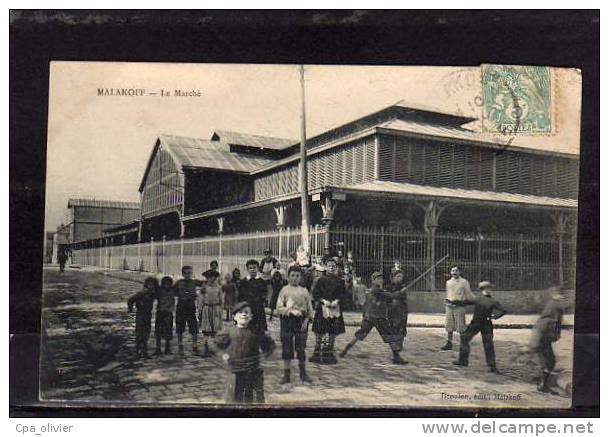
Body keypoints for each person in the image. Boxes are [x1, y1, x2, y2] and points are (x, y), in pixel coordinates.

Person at [340, 272, 408, 364]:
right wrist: (401, 292)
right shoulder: (376, 290)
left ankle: (345, 351)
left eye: (381, 278)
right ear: (373, 280)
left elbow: (387, 299)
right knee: (389, 336)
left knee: (361, 333)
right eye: (378, 279)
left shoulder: (376, 290)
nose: (381, 280)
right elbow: (392, 296)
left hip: (370, 317)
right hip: (378, 318)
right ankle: (396, 358)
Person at [215, 302, 275, 404]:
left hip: (253, 370)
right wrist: (222, 354)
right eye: (240, 312)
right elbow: (215, 344)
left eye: (247, 312)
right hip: (235, 370)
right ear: (234, 317)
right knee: (234, 398)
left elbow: (270, 345)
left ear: (251, 317)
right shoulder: (229, 331)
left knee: (255, 399)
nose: (244, 314)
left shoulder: (256, 331)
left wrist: (264, 356)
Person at [452, 281, 506, 372]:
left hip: (486, 325)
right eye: (486, 288)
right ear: (482, 290)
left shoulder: (492, 301)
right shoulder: (478, 299)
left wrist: (496, 316)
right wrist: (453, 302)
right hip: (475, 324)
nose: (488, 290)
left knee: (488, 344)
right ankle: (463, 361)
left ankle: (492, 366)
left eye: (489, 288)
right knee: (464, 338)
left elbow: (503, 310)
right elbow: (465, 302)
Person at [524, 286, 568, 394]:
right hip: (542, 336)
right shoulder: (555, 306)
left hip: (541, 335)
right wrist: (554, 335)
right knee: (549, 360)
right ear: (555, 295)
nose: (562, 297)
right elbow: (551, 323)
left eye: (563, 295)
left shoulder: (552, 305)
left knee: (547, 360)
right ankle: (543, 384)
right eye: (560, 295)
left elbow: (554, 322)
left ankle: (543, 382)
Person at [276, 265, 314, 384]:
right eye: (292, 275)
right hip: (287, 322)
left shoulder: (304, 291)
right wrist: (291, 311)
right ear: (288, 277)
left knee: (301, 348)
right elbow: (279, 308)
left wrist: (306, 321)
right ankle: (286, 375)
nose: (295, 278)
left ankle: (303, 373)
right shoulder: (284, 290)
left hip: (301, 322)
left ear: (300, 277)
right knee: (287, 349)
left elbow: (309, 309)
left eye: (297, 276)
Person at [310, 258, 346, 364]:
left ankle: (328, 354)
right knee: (319, 330)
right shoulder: (321, 280)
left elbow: (343, 294)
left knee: (332, 331)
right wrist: (323, 300)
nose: (331, 268)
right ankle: (317, 353)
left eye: (333, 266)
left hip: (335, 308)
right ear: (326, 267)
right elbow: (315, 293)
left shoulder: (340, 281)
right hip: (323, 308)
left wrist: (337, 300)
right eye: (329, 266)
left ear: (336, 268)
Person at [441, 266, 475, 351]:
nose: (454, 272)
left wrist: (475, 301)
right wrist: (446, 300)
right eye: (453, 271)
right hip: (449, 306)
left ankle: (463, 344)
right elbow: (448, 293)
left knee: (461, 327)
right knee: (449, 326)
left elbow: (469, 294)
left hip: (459, 306)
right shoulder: (448, 282)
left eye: (456, 270)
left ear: (460, 272)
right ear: (450, 272)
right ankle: (449, 343)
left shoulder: (464, 282)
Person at [173, 265, 204, 354]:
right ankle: (180, 345)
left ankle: (194, 346)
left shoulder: (194, 282)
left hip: (191, 307)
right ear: (182, 274)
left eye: (189, 273)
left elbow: (205, 283)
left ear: (191, 273)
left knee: (194, 327)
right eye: (185, 273)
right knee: (180, 327)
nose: (187, 275)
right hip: (181, 307)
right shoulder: (179, 283)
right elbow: (172, 291)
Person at [127, 276, 158, 358]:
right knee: (139, 333)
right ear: (146, 285)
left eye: (153, 285)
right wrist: (130, 309)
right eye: (149, 284)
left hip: (148, 315)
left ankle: (144, 351)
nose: (151, 286)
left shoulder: (152, 293)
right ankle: (137, 351)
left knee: (146, 333)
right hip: (140, 314)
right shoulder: (142, 292)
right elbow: (130, 300)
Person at [237, 259, 268, 335]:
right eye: (250, 268)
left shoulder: (262, 281)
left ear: (257, 268)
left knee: (259, 331)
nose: (252, 270)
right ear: (247, 269)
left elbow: (264, 293)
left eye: (254, 267)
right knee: (247, 330)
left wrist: (261, 299)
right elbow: (240, 296)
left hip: (258, 309)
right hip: (247, 309)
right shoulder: (244, 282)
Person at [198, 273, 225, 357]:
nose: (212, 279)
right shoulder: (204, 288)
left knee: (215, 330)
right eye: (209, 278)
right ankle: (206, 348)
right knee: (206, 330)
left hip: (216, 309)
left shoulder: (219, 288)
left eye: (214, 278)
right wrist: (200, 310)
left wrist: (220, 310)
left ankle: (213, 348)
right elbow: (200, 299)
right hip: (207, 309)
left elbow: (221, 300)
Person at [387, 270, 409, 356]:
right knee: (393, 326)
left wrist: (401, 293)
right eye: (398, 276)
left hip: (401, 309)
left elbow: (403, 299)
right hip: (392, 309)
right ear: (393, 277)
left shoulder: (403, 287)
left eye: (401, 276)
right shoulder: (389, 287)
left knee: (401, 326)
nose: (400, 278)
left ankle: (399, 343)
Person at [154, 276, 176, 355]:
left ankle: (167, 348)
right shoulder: (159, 291)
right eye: (165, 284)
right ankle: (158, 348)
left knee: (168, 331)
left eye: (168, 284)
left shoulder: (173, 291)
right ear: (162, 285)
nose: (167, 286)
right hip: (160, 312)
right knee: (158, 331)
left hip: (168, 313)